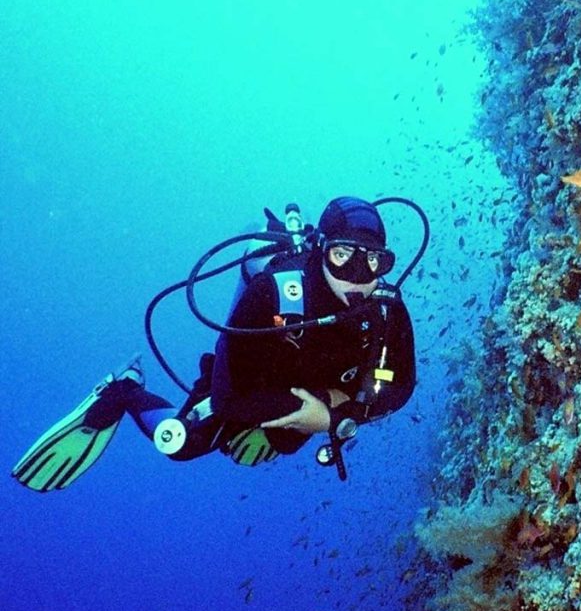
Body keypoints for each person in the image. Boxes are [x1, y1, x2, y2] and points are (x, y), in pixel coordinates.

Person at [12, 197, 418, 491]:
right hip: (250, 382)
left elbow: (401, 388)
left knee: (283, 441)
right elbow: (228, 399)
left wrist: (332, 413)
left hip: (311, 396)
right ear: (319, 251)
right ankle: (124, 390)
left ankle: (279, 430)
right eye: (342, 255)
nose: (358, 275)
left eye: (373, 261)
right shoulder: (272, 294)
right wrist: (326, 416)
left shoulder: (387, 310)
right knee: (180, 445)